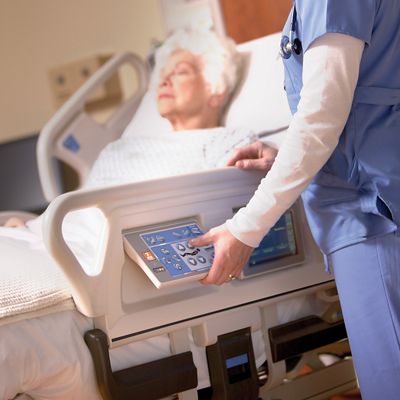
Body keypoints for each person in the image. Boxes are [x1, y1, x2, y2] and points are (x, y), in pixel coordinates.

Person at [190, 1, 400, 399]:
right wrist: (283, 155)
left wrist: (245, 229)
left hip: (371, 214)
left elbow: (322, 116)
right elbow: (364, 99)